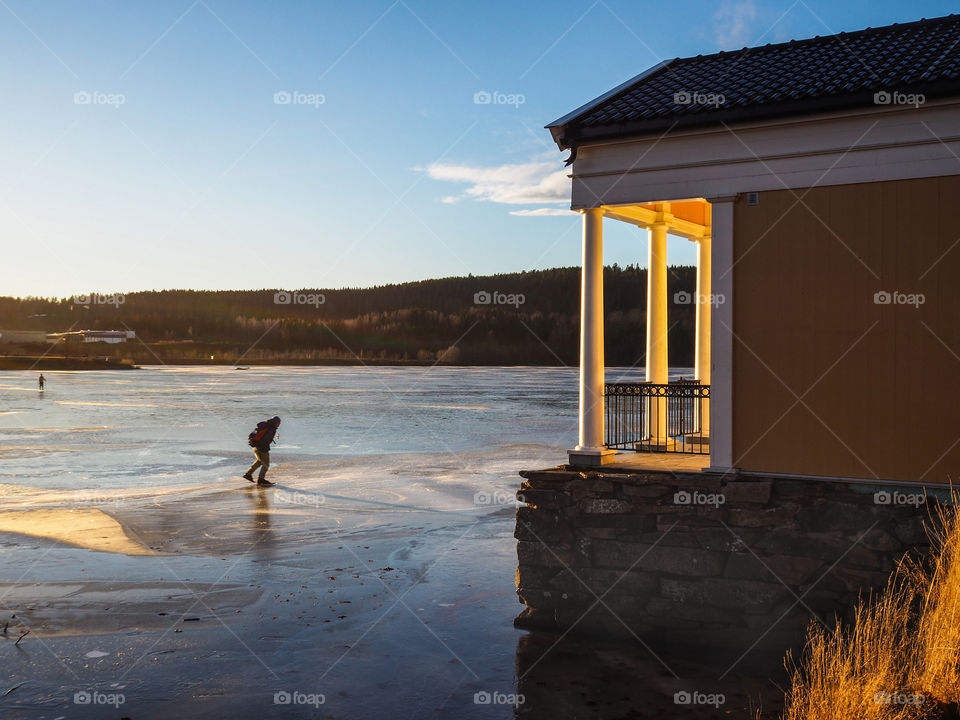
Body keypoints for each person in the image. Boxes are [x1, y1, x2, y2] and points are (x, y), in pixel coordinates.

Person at [243, 416, 281, 486]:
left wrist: (256, 444)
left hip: (255, 445)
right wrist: (263, 447)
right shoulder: (271, 428)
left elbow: (254, 434)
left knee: (259, 461)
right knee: (266, 464)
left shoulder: (264, 425)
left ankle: (248, 474)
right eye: (279, 423)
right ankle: (261, 479)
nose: (279, 424)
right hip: (262, 448)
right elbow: (266, 440)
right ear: (276, 423)